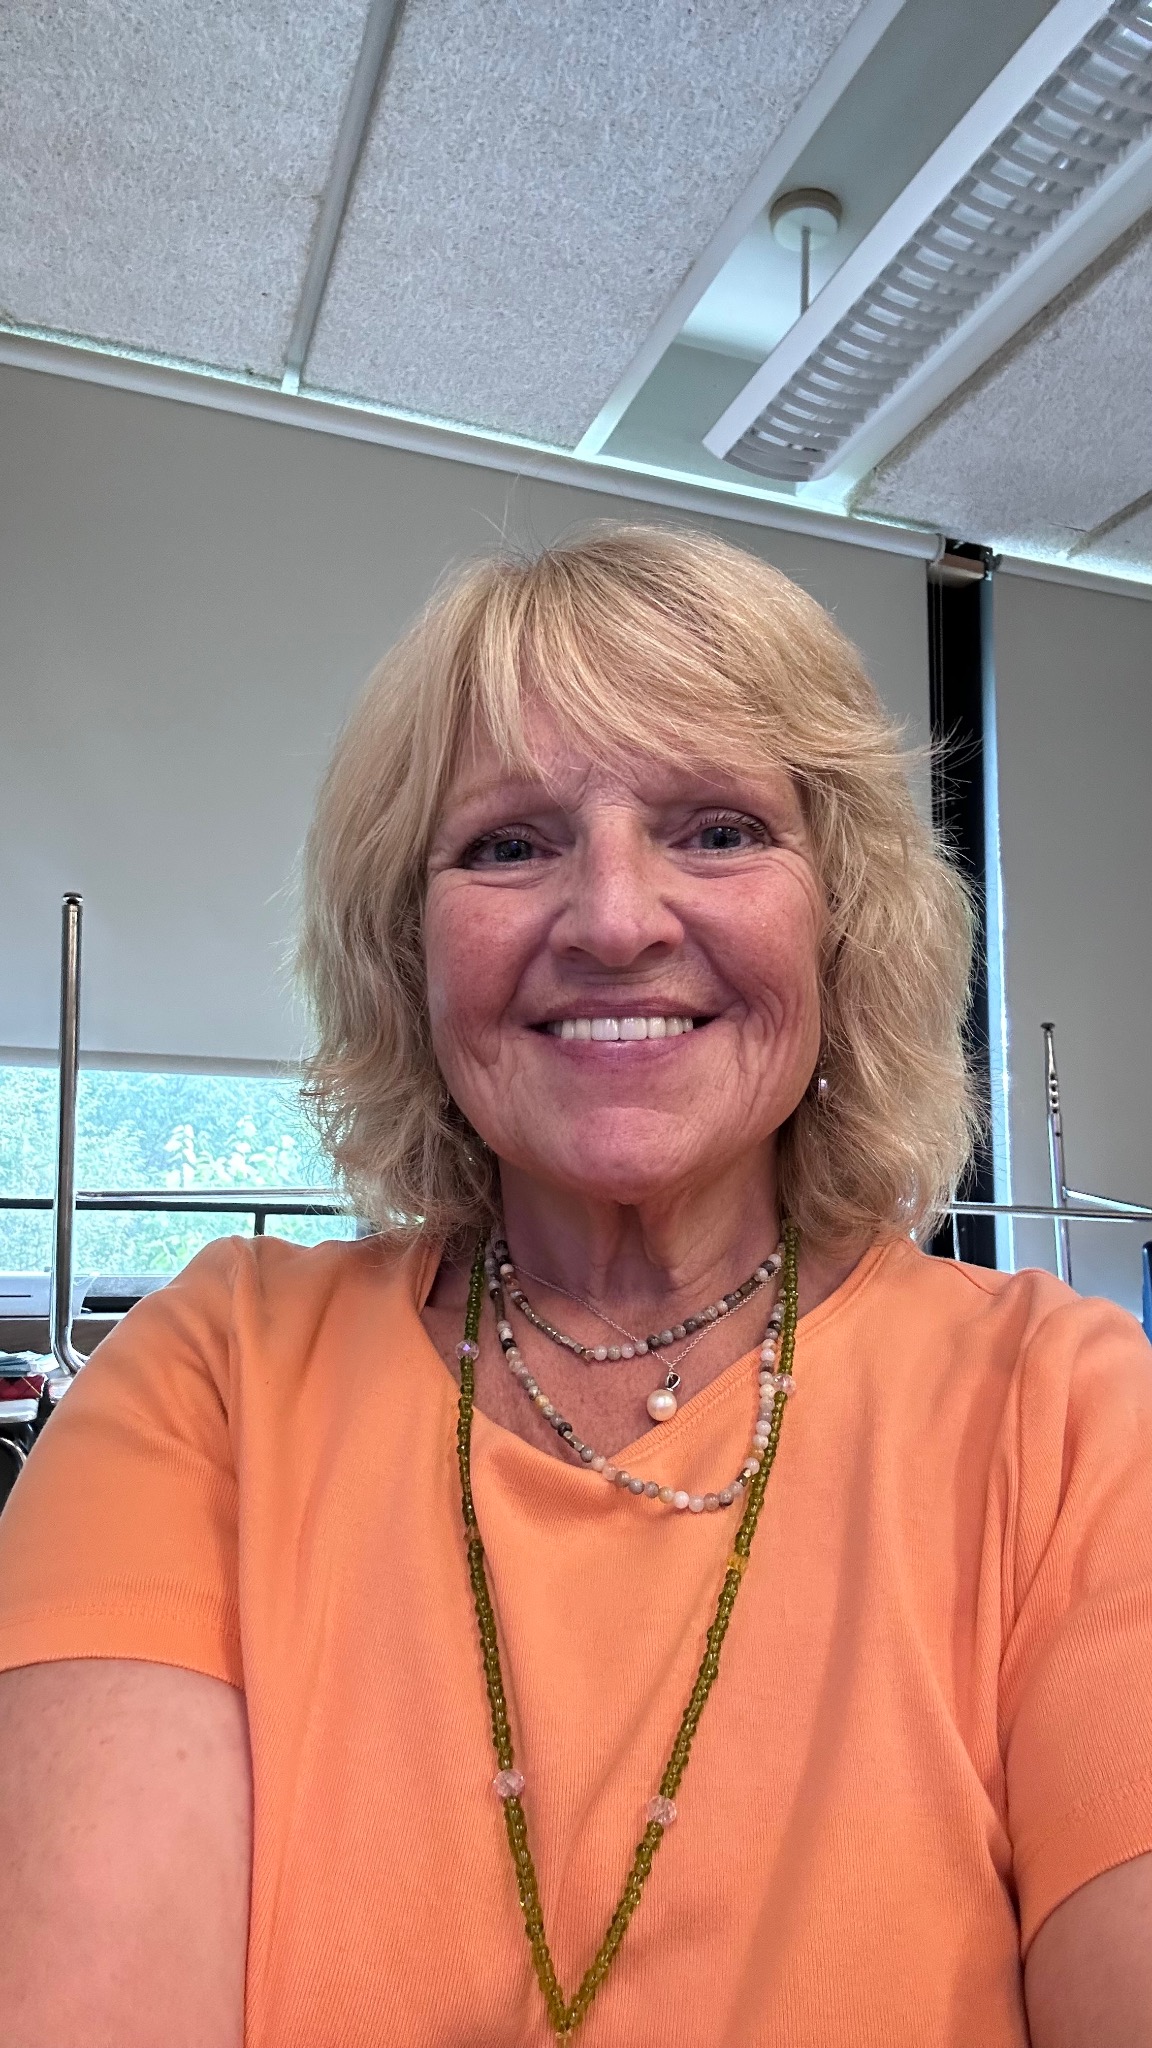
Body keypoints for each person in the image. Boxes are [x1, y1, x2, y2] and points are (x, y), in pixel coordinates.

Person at [1, 525, 1150, 2048]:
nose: (615, 920)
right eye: (508, 846)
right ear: (406, 948)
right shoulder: (213, 1381)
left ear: (844, 918)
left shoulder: (1068, 1420)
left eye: (718, 831)